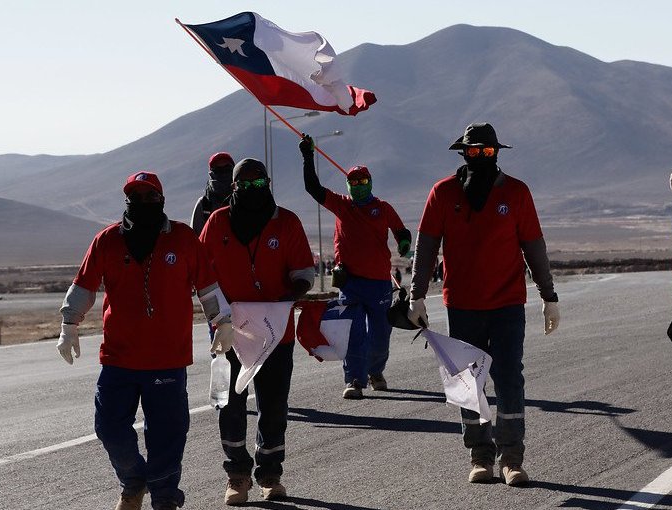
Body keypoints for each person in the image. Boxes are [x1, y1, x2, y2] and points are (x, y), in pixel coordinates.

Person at [56, 171, 231, 510]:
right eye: (136, 197)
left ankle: (165, 497)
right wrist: (69, 325)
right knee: (109, 428)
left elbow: (208, 286)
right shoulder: (108, 240)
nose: (143, 203)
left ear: (161, 200)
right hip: (119, 358)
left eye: (149, 197)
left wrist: (222, 322)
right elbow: (84, 286)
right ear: (128, 202)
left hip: (167, 357)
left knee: (167, 434)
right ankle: (134, 481)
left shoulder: (182, 239)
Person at [407, 122, 560, 487]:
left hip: (507, 303)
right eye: (474, 152)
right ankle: (480, 456)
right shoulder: (443, 193)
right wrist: (416, 294)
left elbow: (534, 246)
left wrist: (548, 296)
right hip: (462, 304)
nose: (481, 157)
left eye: (487, 152)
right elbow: (426, 246)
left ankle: (511, 458)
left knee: (509, 379)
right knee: (468, 382)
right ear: (464, 153)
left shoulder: (517, 193)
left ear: (497, 153)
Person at [199, 158, 315, 505]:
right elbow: (202, 275)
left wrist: (294, 290)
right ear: (233, 189)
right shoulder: (217, 223)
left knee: (274, 404)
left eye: (258, 184)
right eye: (244, 185)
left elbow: (305, 271)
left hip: (275, 330)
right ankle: (236, 475)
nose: (252, 190)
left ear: (268, 183)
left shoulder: (287, 222)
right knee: (227, 403)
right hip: (226, 331)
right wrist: (219, 317)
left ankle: (269, 474)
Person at [298, 134, 412, 399]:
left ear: (370, 182)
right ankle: (355, 381)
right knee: (353, 333)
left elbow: (401, 230)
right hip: (350, 283)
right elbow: (313, 188)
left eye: (362, 181)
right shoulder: (341, 206)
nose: (358, 185)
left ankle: (375, 371)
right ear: (347, 184)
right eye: (353, 181)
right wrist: (307, 156)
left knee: (381, 335)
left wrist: (404, 244)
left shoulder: (382, 208)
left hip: (379, 284)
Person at [191, 152, 236, 235]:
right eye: (218, 170)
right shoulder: (204, 204)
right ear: (212, 173)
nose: (223, 173)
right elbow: (195, 242)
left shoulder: (243, 198)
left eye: (227, 168)